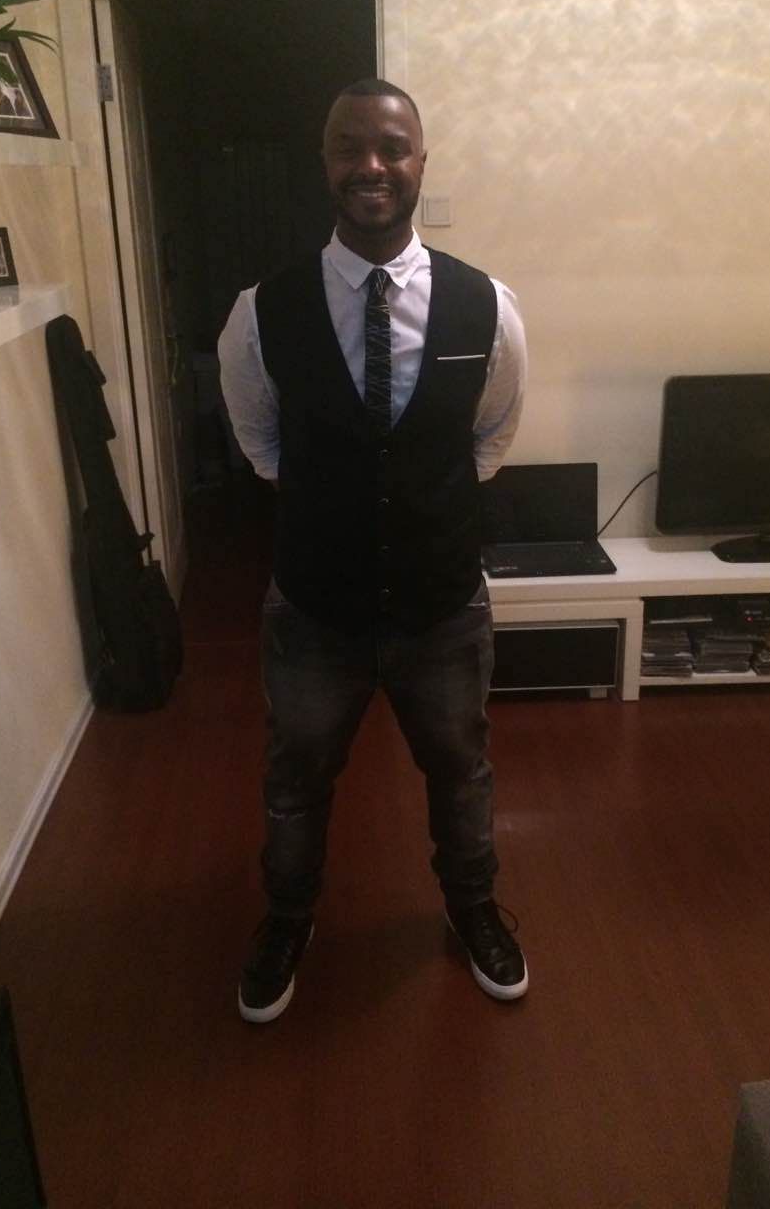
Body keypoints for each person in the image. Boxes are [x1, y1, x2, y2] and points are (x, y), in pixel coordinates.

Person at [218, 78, 529, 1023]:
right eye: (350, 146)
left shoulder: (486, 304)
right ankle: (288, 917)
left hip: (443, 604)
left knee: (461, 771)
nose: (372, 166)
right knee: (296, 779)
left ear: (421, 161)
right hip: (316, 607)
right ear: (326, 163)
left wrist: (418, 503)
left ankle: (473, 908)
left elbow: (490, 437)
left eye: (392, 147)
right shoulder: (262, 310)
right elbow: (261, 445)